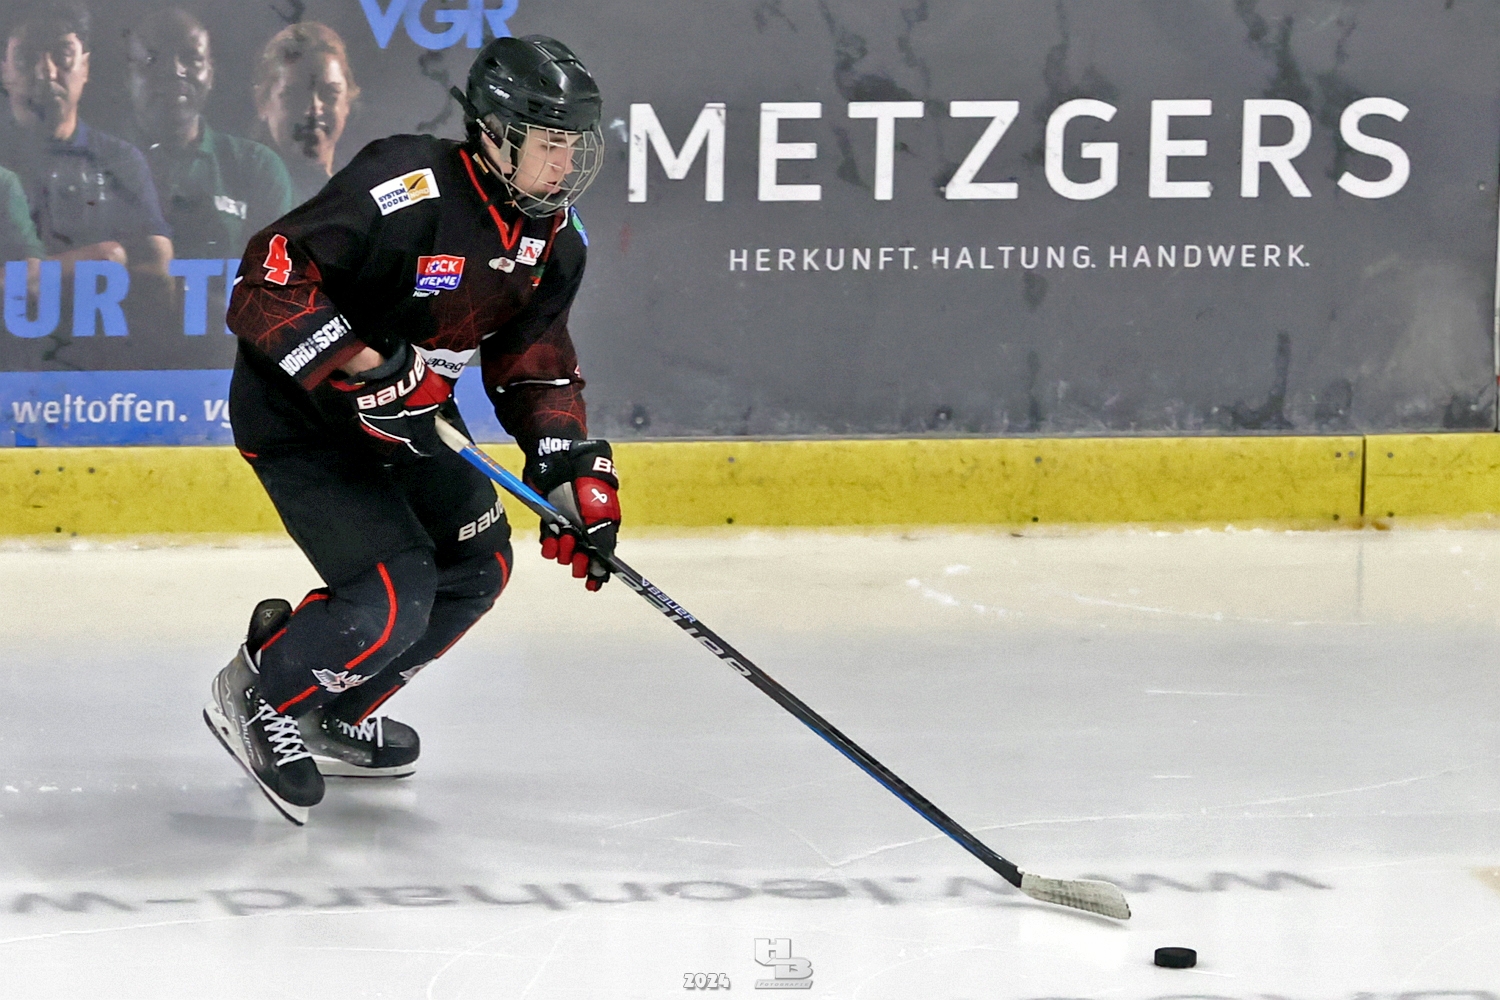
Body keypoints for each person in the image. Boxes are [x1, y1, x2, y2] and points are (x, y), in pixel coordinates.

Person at [205, 35, 614, 824]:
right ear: (496, 135)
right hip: (301, 419)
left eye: (576, 143)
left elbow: (533, 363)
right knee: (392, 595)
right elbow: (266, 282)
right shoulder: (408, 184)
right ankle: (262, 689)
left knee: (478, 565)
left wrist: (571, 469)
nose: (568, 163)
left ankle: (332, 711)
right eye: (550, 142)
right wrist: (369, 362)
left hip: (409, 423)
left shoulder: (556, 241)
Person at [0, 1, 172, 285]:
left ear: (86, 66)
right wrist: (99, 259)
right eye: (26, 58)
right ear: (4, 71)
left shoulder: (120, 161)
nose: (46, 72)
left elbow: (159, 271)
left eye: (63, 55)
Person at [125, 8, 296, 260]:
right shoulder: (101, 163)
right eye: (153, 58)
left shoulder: (257, 168)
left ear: (211, 73)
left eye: (191, 58)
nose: (174, 70)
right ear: (128, 75)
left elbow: (270, 276)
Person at [252, 21, 359, 205]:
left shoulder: (360, 192)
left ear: (347, 102)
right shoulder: (241, 187)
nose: (313, 109)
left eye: (329, 94)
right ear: (262, 101)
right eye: (295, 95)